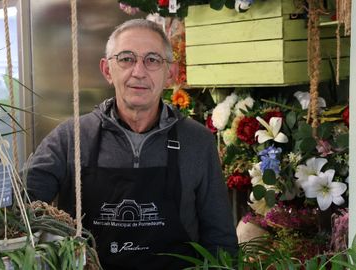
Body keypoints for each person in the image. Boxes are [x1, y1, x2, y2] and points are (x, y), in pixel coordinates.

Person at [27, 19, 238, 270]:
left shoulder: (197, 141)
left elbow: (220, 240)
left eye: (152, 60)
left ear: (170, 73)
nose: (139, 71)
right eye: (126, 59)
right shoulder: (69, 137)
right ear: (107, 70)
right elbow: (19, 207)